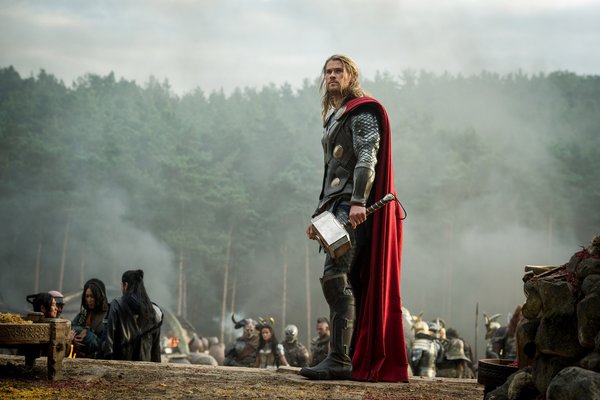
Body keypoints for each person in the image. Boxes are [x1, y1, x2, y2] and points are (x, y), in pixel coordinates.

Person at [300, 54, 408, 382]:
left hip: (352, 206)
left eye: (339, 71)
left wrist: (359, 201)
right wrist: (320, 214)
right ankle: (348, 356)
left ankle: (340, 359)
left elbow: (366, 157)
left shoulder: (361, 110)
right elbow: (332, 173)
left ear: (351, 76)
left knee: (336, 275)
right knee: (345, 278)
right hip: (336, 207)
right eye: (328, 71)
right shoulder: (336, 116)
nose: (332, 76)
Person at [102, 269, 163, 362]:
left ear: (125, 285)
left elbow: (108, 340)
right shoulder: (153, 310)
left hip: (120, 364)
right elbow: (155, 349)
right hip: (145, 366)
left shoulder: (116, 305)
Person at [71, 278, 108, 358]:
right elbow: (72, 328)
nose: (89, 300)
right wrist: (73, 339)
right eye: (87, 296)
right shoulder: (83, 314)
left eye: (92, 296)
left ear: (99, 296)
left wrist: (87, 332)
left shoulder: (108, 315)